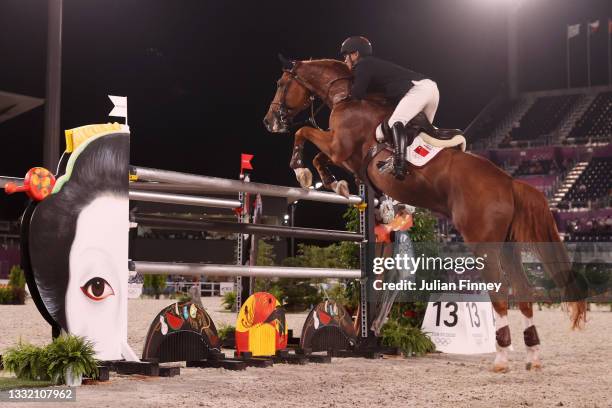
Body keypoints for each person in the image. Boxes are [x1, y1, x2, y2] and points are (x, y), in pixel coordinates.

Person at [340, 35, 439, 179]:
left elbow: (357, 93)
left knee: (395, 123)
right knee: (419, 134)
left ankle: (399, 165)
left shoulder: (363, 64)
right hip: (431, 90)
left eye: (346, 56)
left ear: (355, 54)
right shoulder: (372, 65)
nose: (345, 60)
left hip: (420, 89)